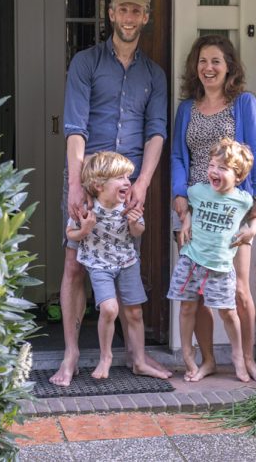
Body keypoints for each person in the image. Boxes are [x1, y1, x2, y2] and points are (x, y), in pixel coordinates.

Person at [50, 0, 171, 386]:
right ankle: (69, 355)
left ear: (147, 18)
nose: (129, 18)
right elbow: (74, 128)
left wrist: (143, 185)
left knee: (125, 262)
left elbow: (156, 133)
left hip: (129, 184)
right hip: (86, 178)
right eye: (123, 10)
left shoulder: (154, 74)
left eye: (137, 11)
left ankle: (137, 356)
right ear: (111, 13)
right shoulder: (85, 63)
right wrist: (75, 184)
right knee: (74, 266)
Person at [171, 34, 256, 383]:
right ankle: (209, 359)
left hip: (232, 212)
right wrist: (179, 200)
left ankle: (247, 360)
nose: (208, 68)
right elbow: (178, 157)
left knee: (239, 289)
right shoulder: (186, 108)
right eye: (202, 61)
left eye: (215, 61)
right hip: (194, 213)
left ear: (229, 66)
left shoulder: (244, 103)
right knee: (195, 292)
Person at [66, 151, 168, 379]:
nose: (127, 183)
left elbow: (138, 230)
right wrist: (84, 230)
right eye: (120, 178)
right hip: (99, 265)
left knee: (134, 312)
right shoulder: (86, 208)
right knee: (110, 309)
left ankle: (140, 361)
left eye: (128, 177)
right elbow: (70, 233)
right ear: (98, 185)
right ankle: (106, 357)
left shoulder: (127, 206)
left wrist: (134, 224)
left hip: (127, 263)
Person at [168, 138, 256, 382]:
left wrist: (253, 228)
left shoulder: (243, 200)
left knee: (228, 312)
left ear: (238, 176)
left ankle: (238, 357)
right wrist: (186, 217)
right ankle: (188, 354)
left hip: (219, 266)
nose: (214, 172)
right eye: (212, 165)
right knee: (187, 307)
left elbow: (255, 214)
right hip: (191, 261)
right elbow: (187, 207)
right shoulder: (197, 191)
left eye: (223, 168)